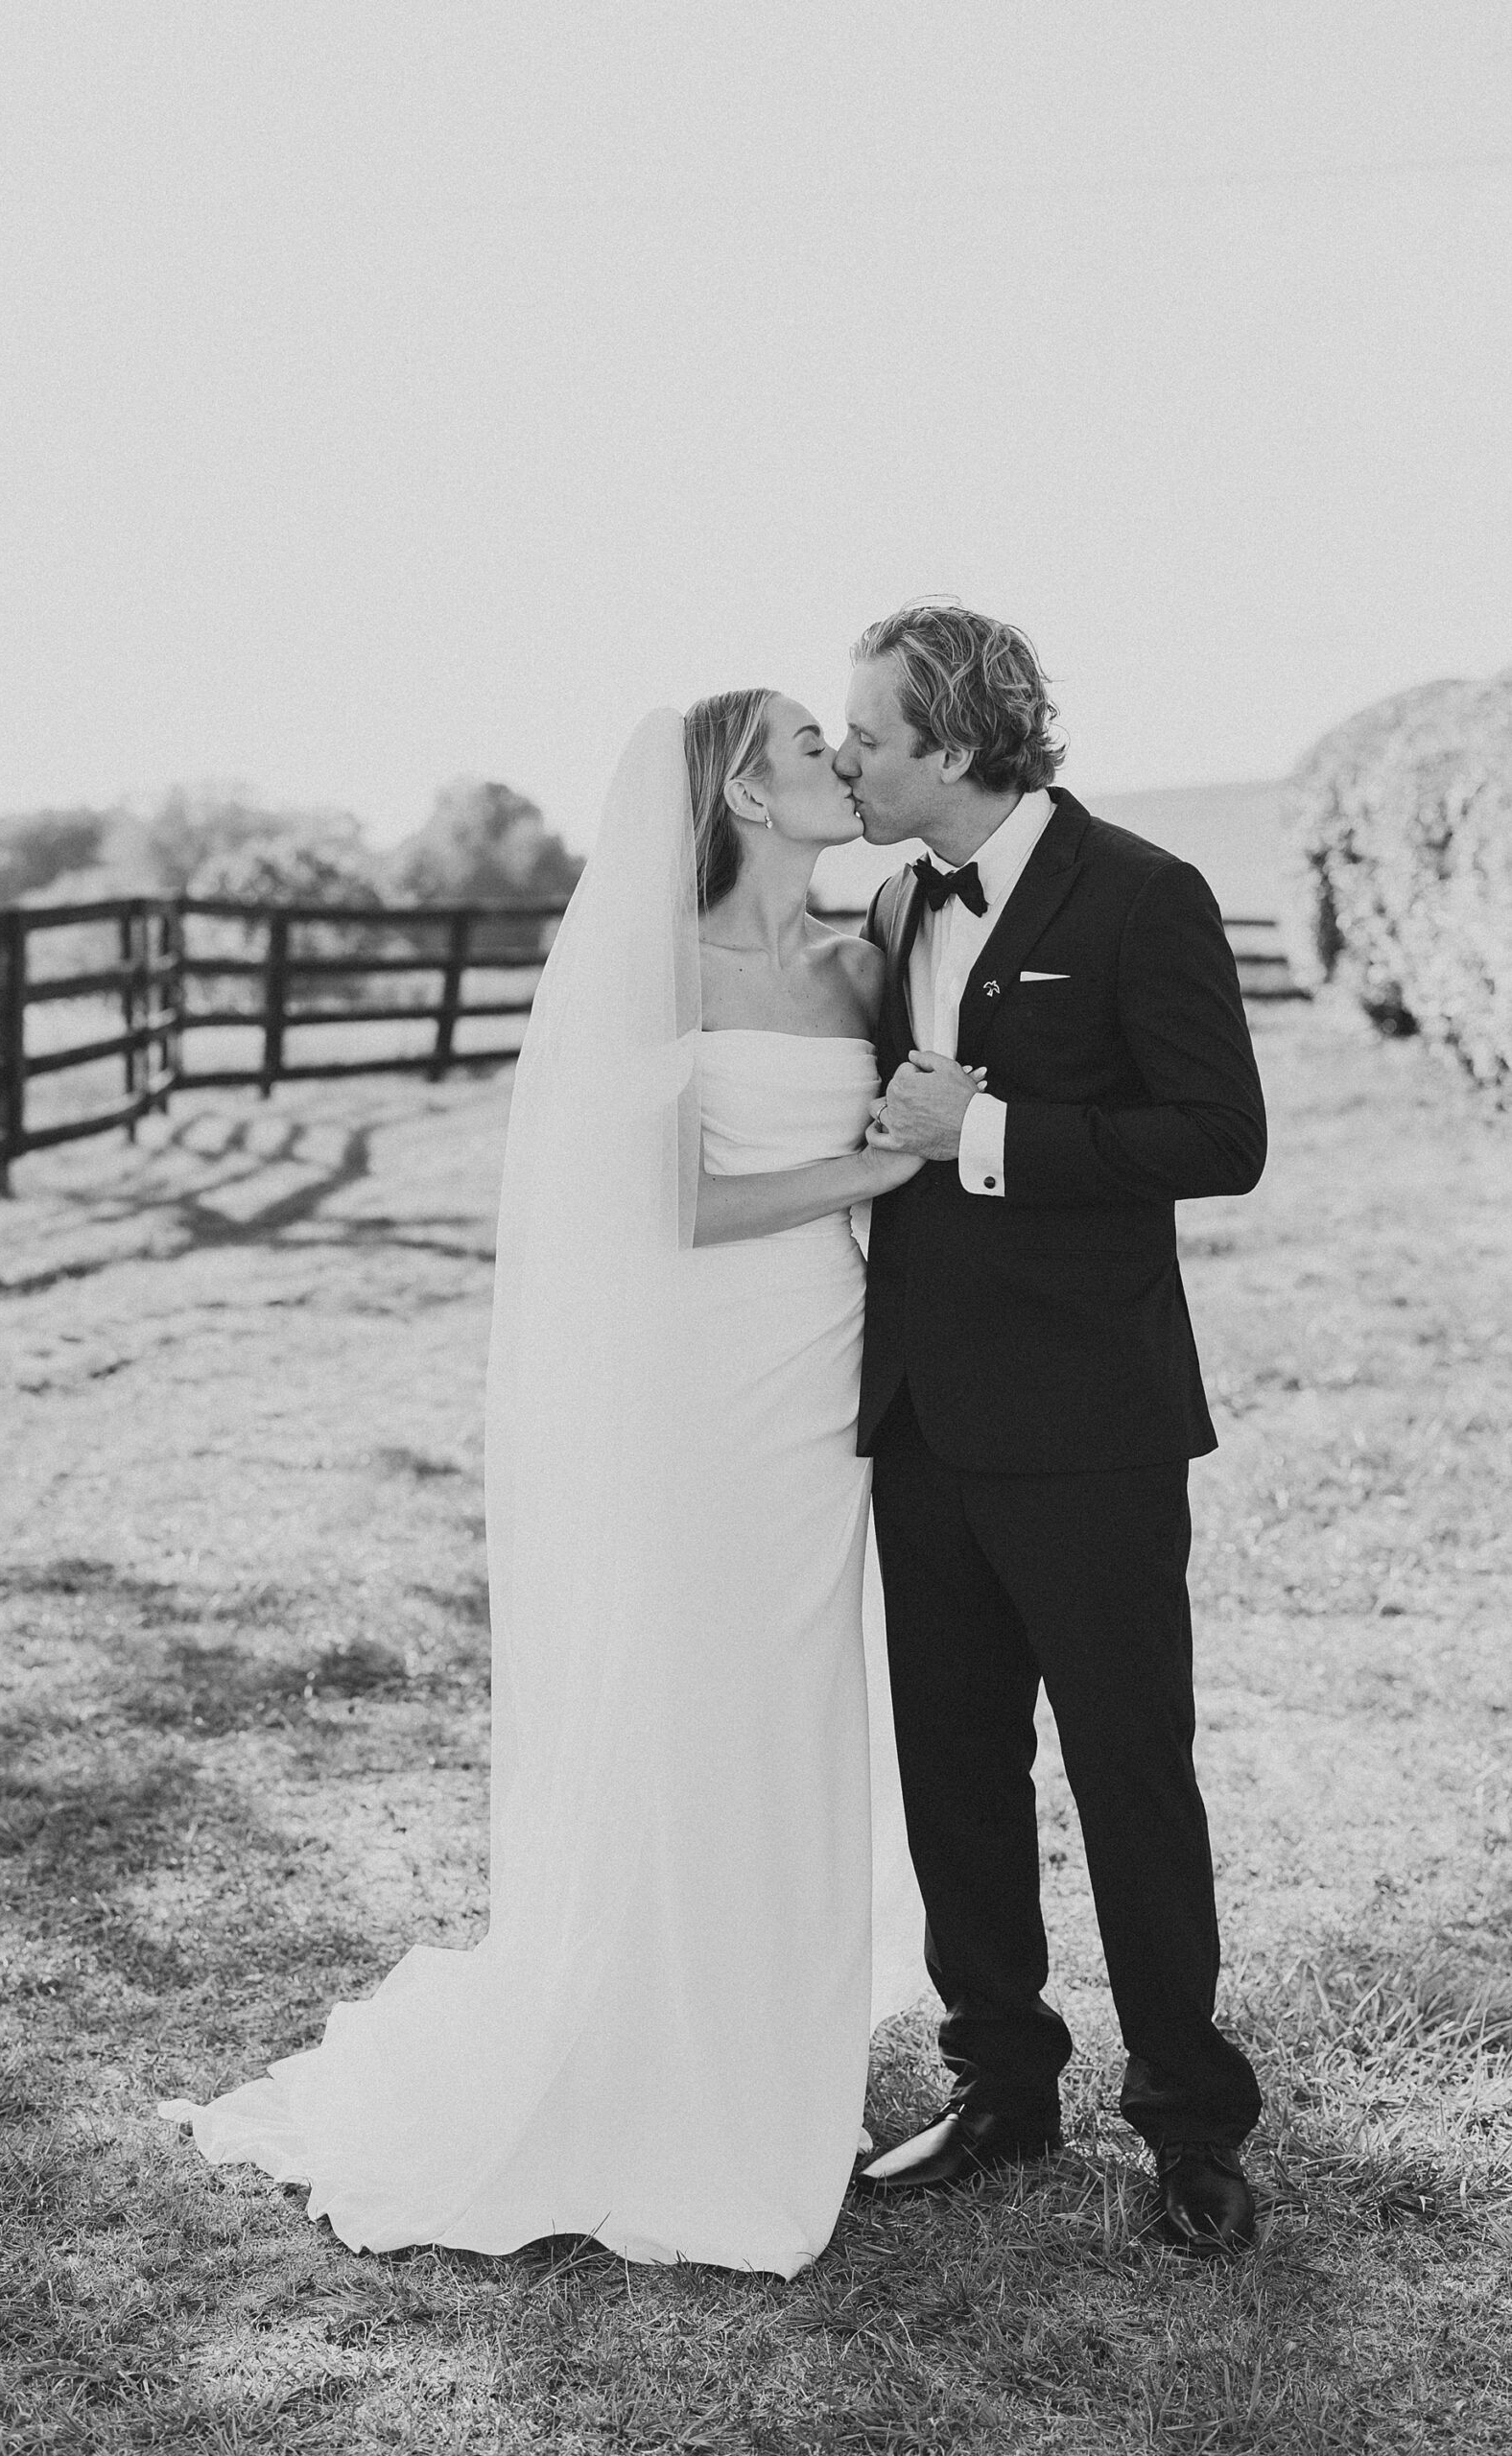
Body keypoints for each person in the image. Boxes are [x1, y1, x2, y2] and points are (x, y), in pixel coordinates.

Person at [158, 695, 929, 2277]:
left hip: (829, 1372)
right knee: (687, 1691)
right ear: (740, 788)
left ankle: (777, 2046)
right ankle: (646, 2052)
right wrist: (881, 1168)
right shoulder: (657, 966)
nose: (837, 761)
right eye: (805, 743)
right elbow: (671, 1205)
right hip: (702, 1380)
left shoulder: (863, 959)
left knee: (799, 1700)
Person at [838, 601, 1267, 2257]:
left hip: (1090, 1423)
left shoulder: (1145, 893)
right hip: (922, 1420)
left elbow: (1218, 1135)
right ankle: (1002, 2084)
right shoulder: (888, 898)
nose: (852, 757)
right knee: (954, 1768)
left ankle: (1189, 2121)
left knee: (1129, 1769)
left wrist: (986, 1128)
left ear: (950, 741)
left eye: (867, 733)